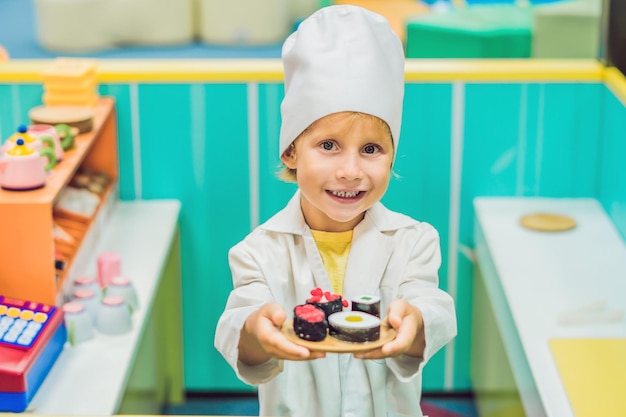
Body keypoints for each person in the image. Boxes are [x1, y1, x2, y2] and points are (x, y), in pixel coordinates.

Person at [215, 5, 457, 417]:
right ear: (291, 151)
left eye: (371, 149)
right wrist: (258, 330)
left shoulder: (413, 241)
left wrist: (415, 321)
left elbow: (432, 310)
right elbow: (241, 330)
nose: (350, 171)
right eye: (328, 146)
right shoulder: (259, 250)